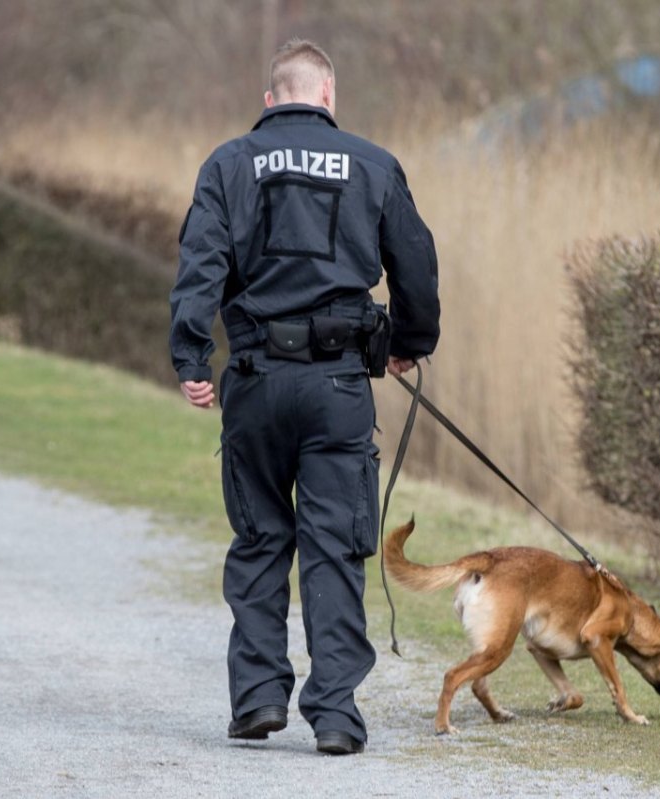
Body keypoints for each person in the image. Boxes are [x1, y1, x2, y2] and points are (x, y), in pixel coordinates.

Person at [168, 38, 440, 756]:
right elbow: (416, 262)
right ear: (328, 96)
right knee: (333, 545)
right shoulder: (374, 164)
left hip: (254, 381)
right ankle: (337, 713)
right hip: (338, 386)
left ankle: (258, 698)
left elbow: (200, 264)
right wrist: (411, 341)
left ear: (270, 99)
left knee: (259, 538)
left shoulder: (228, 163)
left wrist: (191, 354)